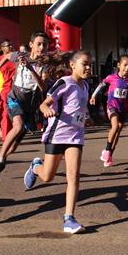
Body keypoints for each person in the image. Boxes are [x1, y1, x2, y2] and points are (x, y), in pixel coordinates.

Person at [23, 51, 91, 234]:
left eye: (89, 64)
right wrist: (45, 109)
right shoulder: (65, 83)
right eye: (84, 64)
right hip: (57, 135)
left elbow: (80, 109)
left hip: (75, 136)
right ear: (72, 65)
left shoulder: (85, 86)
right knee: (47, 177)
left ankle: (69, 218)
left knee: (74, 176)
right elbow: (45, 103)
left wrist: (87, 117)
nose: (88, 68)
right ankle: (36, 167)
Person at [0, 32, 49, 180]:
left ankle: (3, 157)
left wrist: (30, 69)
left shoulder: (45, 65)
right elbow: (5, 57)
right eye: (39, 44)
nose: (42, 47)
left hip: (30, 104)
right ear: (31, 45)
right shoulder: (20, 55)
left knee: (15, 145)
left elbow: (42, 87)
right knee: (17, 126)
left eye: (45, 45)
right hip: (15, 98)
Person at [92, 55, 128, 167]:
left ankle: (109, 155)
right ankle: (107, 150)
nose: (127, 68)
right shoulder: (111, 77)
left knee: (118, 133)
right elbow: (101, 85)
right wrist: (93, 96)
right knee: (115, 126)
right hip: (112, 106)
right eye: (125, 65)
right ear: (118, 65)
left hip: (124, 109)